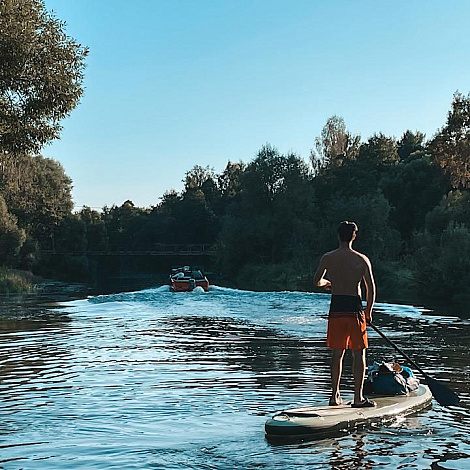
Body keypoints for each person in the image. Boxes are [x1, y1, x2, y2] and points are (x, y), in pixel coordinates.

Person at [313, 221, 376, 408]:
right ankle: (358, 398)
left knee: (337, 353)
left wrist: (327, 283)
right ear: (354, 236)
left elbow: (316, 281)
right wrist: (368, 312)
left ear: (338, 236)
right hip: (354, 308)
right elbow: (370, 289)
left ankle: (334, 396)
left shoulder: (328, 258)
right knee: (359, 354)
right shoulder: (362, 259)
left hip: (336, 308)